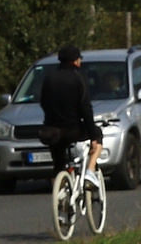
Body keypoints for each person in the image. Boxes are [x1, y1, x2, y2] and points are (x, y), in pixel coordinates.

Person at [36, 45, 101, 176]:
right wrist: (93, 136)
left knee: (58, 166)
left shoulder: (49, 77)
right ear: (75, 61)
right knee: (98, 133)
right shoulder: (78, 78)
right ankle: (90, 170)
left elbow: (43, 102)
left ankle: (58, 184)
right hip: (72, 130)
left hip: (51, 131)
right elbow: (86, 108)